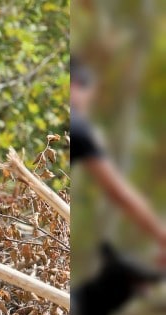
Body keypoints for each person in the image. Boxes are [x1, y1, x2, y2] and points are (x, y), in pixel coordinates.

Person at [70, 56, 166, 265]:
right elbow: (119, 192)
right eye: (90, 97)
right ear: (77, 85)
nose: (88, 106)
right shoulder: (77, 126)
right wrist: (161, 236)